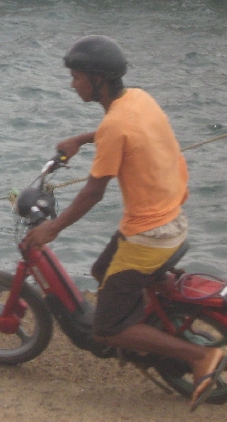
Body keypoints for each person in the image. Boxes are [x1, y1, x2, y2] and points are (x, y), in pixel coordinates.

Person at [22, 35, 226, 411]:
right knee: (102, 269)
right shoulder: (137, 99)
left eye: (77, 77)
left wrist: (54, 227)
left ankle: (200, 358)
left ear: (97, 79)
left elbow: (92, 193)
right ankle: (148, 329)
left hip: (149, 235)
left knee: (106, 328)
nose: (73, 84)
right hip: (171, 220)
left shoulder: (116, 122)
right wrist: (82, 140)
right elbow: (122, 131)